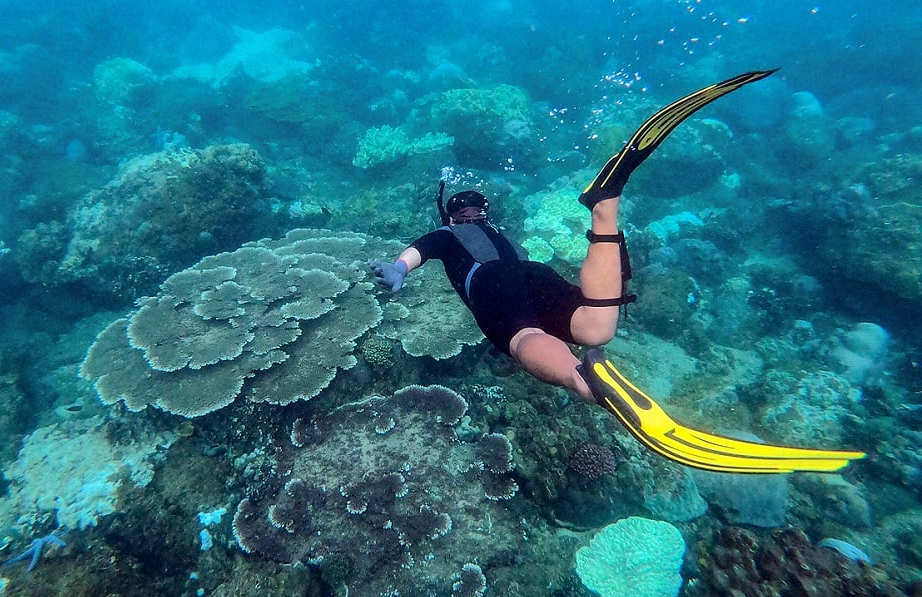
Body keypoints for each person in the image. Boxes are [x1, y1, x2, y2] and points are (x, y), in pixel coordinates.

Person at [370, 70, 865, 474]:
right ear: (484, 213)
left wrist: (397, 269)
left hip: (493, 285)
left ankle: (586, 382)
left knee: (522, 338)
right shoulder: (499, 231)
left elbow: (417, 250)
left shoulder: (448, 235)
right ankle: (603, 209)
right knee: (594, 325)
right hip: (533, 273)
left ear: (452, 217)